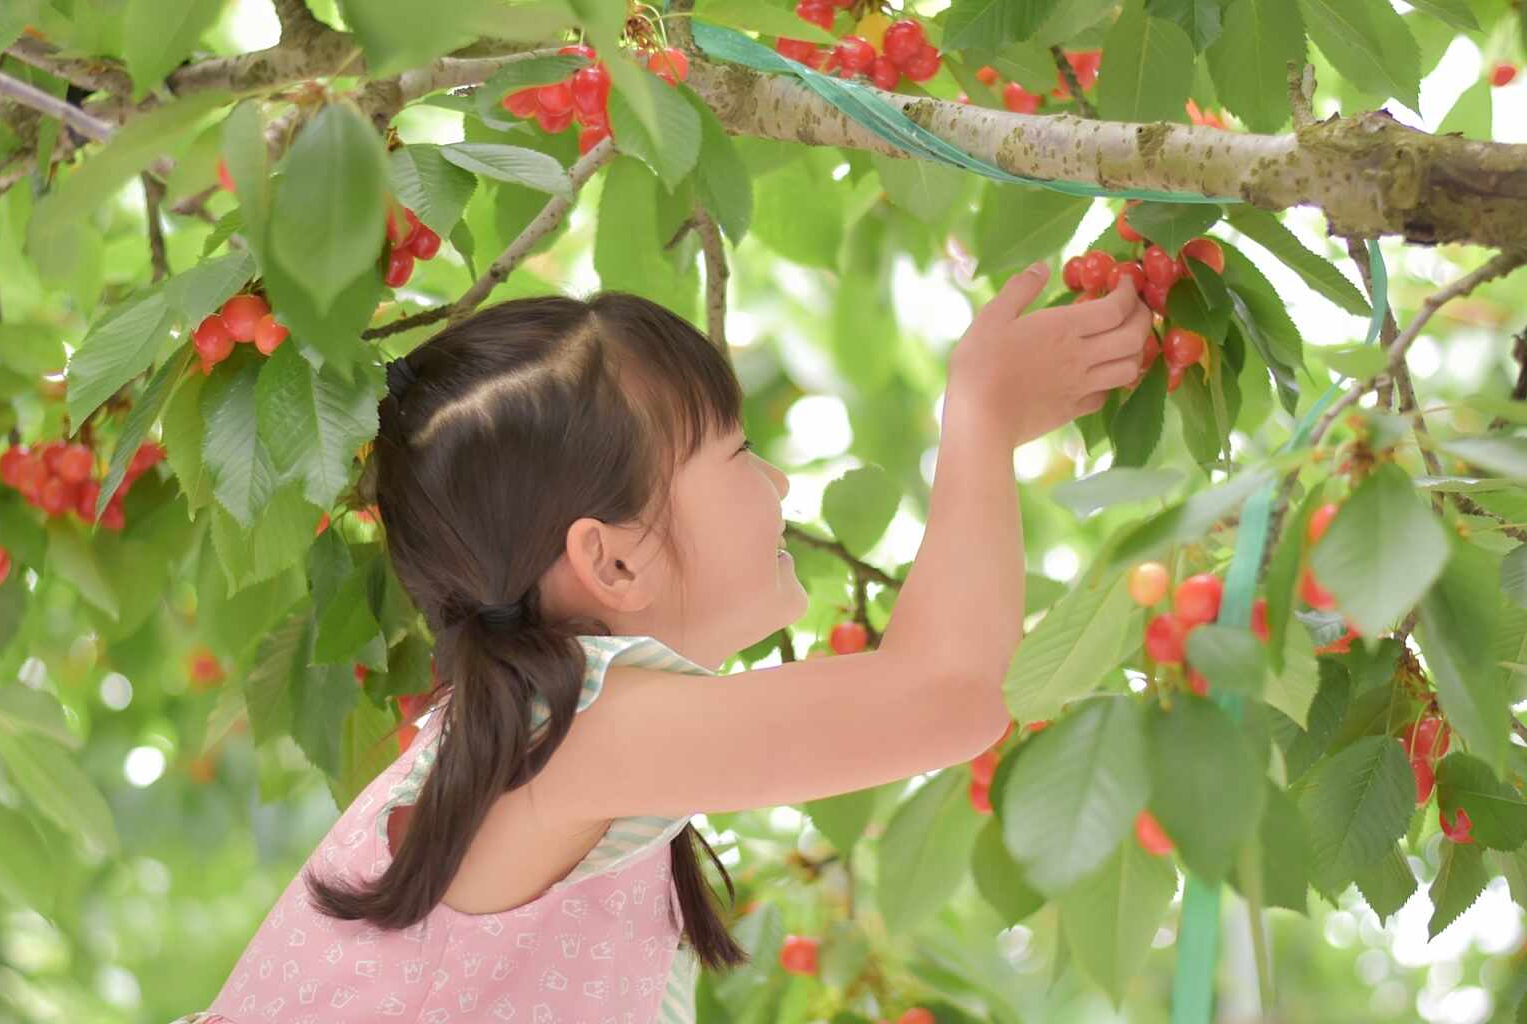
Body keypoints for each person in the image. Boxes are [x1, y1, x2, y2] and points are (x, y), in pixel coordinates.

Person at [173, 269, 1150, 1023]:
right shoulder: (579, 727)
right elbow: (948, 694)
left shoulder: (538, 735)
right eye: (733, 450)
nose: (774, 482)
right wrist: (981, 419)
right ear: (614, 561)